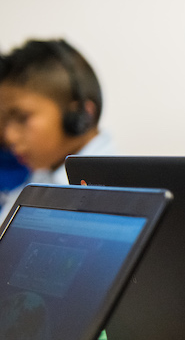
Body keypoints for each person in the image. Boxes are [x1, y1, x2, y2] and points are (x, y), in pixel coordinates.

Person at [0, 39, 114, 220]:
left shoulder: (116, 191)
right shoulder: (38, 177)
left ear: (79, 116)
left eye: (22, 118)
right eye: (5, 121)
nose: (9, 136)